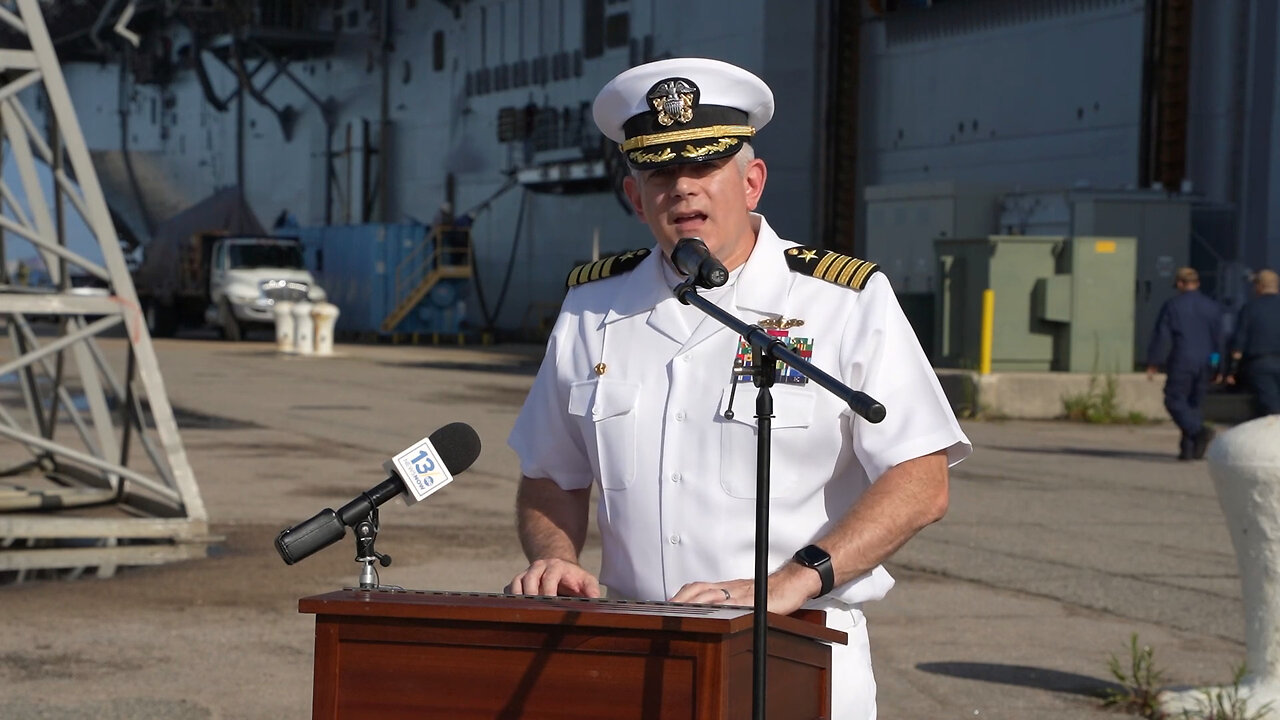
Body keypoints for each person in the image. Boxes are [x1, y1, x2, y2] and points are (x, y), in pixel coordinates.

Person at [505, 57, 971, 719]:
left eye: (703, 168)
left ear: (751, 182)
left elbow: (921, 476)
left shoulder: (843, 300)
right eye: (661, 172)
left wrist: (790, 581)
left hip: (795, 646)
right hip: (635, 653)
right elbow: (552, 472)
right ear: (636, 199)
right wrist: (555, 558)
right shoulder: (593, 310)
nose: (683, 190)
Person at [1145, 267, 1223, 459]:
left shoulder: (1172, 305)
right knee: (1194, 404)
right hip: (1206, 361)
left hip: (1182, 360)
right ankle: (1189, 450)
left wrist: (1154, 361)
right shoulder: (1212, 306)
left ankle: (1199, 431)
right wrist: (1218, 365)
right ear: (1197, 283)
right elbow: (1218, 341)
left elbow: (1162, 336)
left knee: (1174, 400)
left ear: (1180, 284)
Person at [1225, 268, 1280, 417]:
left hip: (1260, 365)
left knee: (1271, 410)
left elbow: (1239, 342)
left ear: (1260, 286)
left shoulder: (1250, 308)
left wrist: (1232, 370)